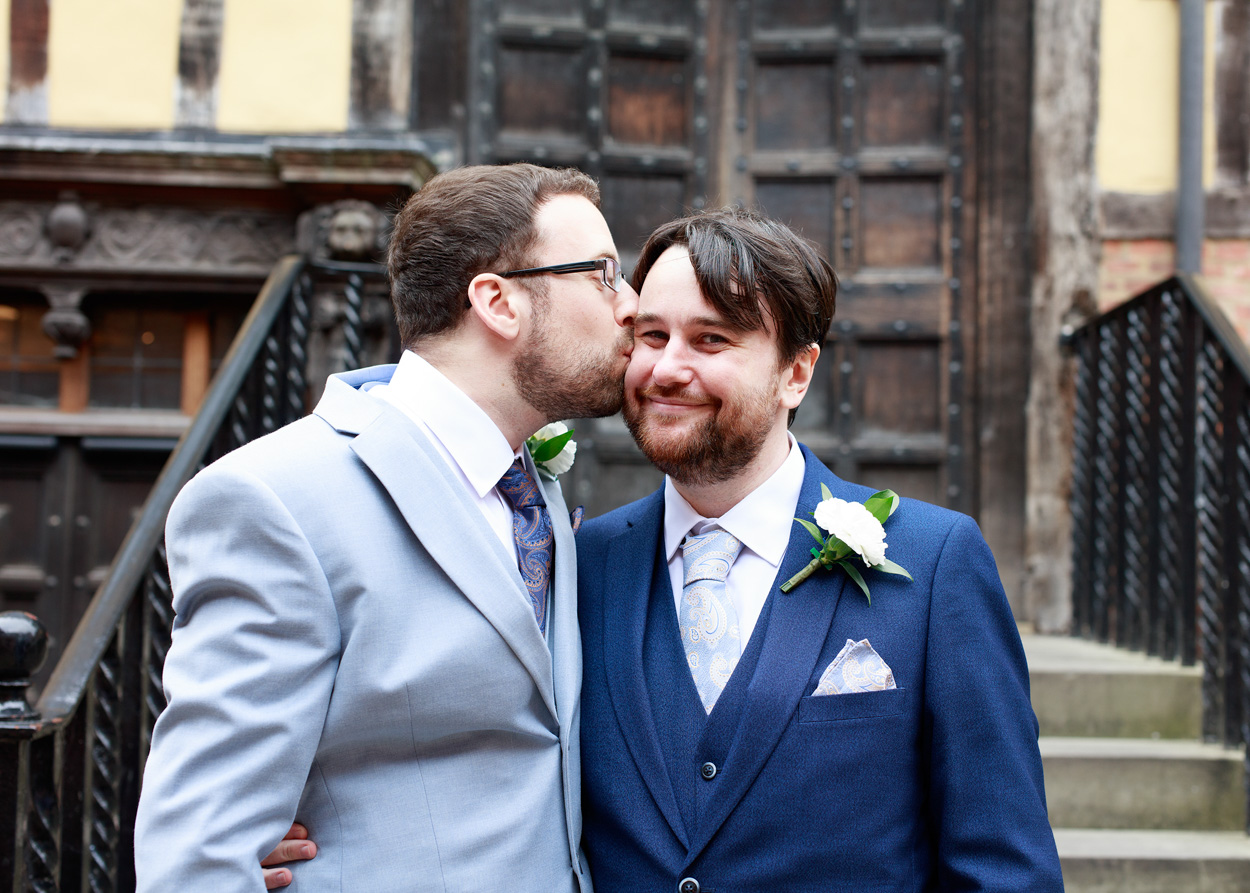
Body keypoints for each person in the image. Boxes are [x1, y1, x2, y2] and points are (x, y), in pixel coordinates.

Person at [133, 163, 637, 891]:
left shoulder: (535, 490)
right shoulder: (277, 501)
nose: (632, 306)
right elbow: (200, 857)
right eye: (603, 274)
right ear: (497, 301)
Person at [575, 208, 1064, 891]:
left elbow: (1005, 867)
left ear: (796, 374)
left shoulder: (935, 562)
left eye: (711, 340)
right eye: (651, 335)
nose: (666, 368)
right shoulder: (582, 563)